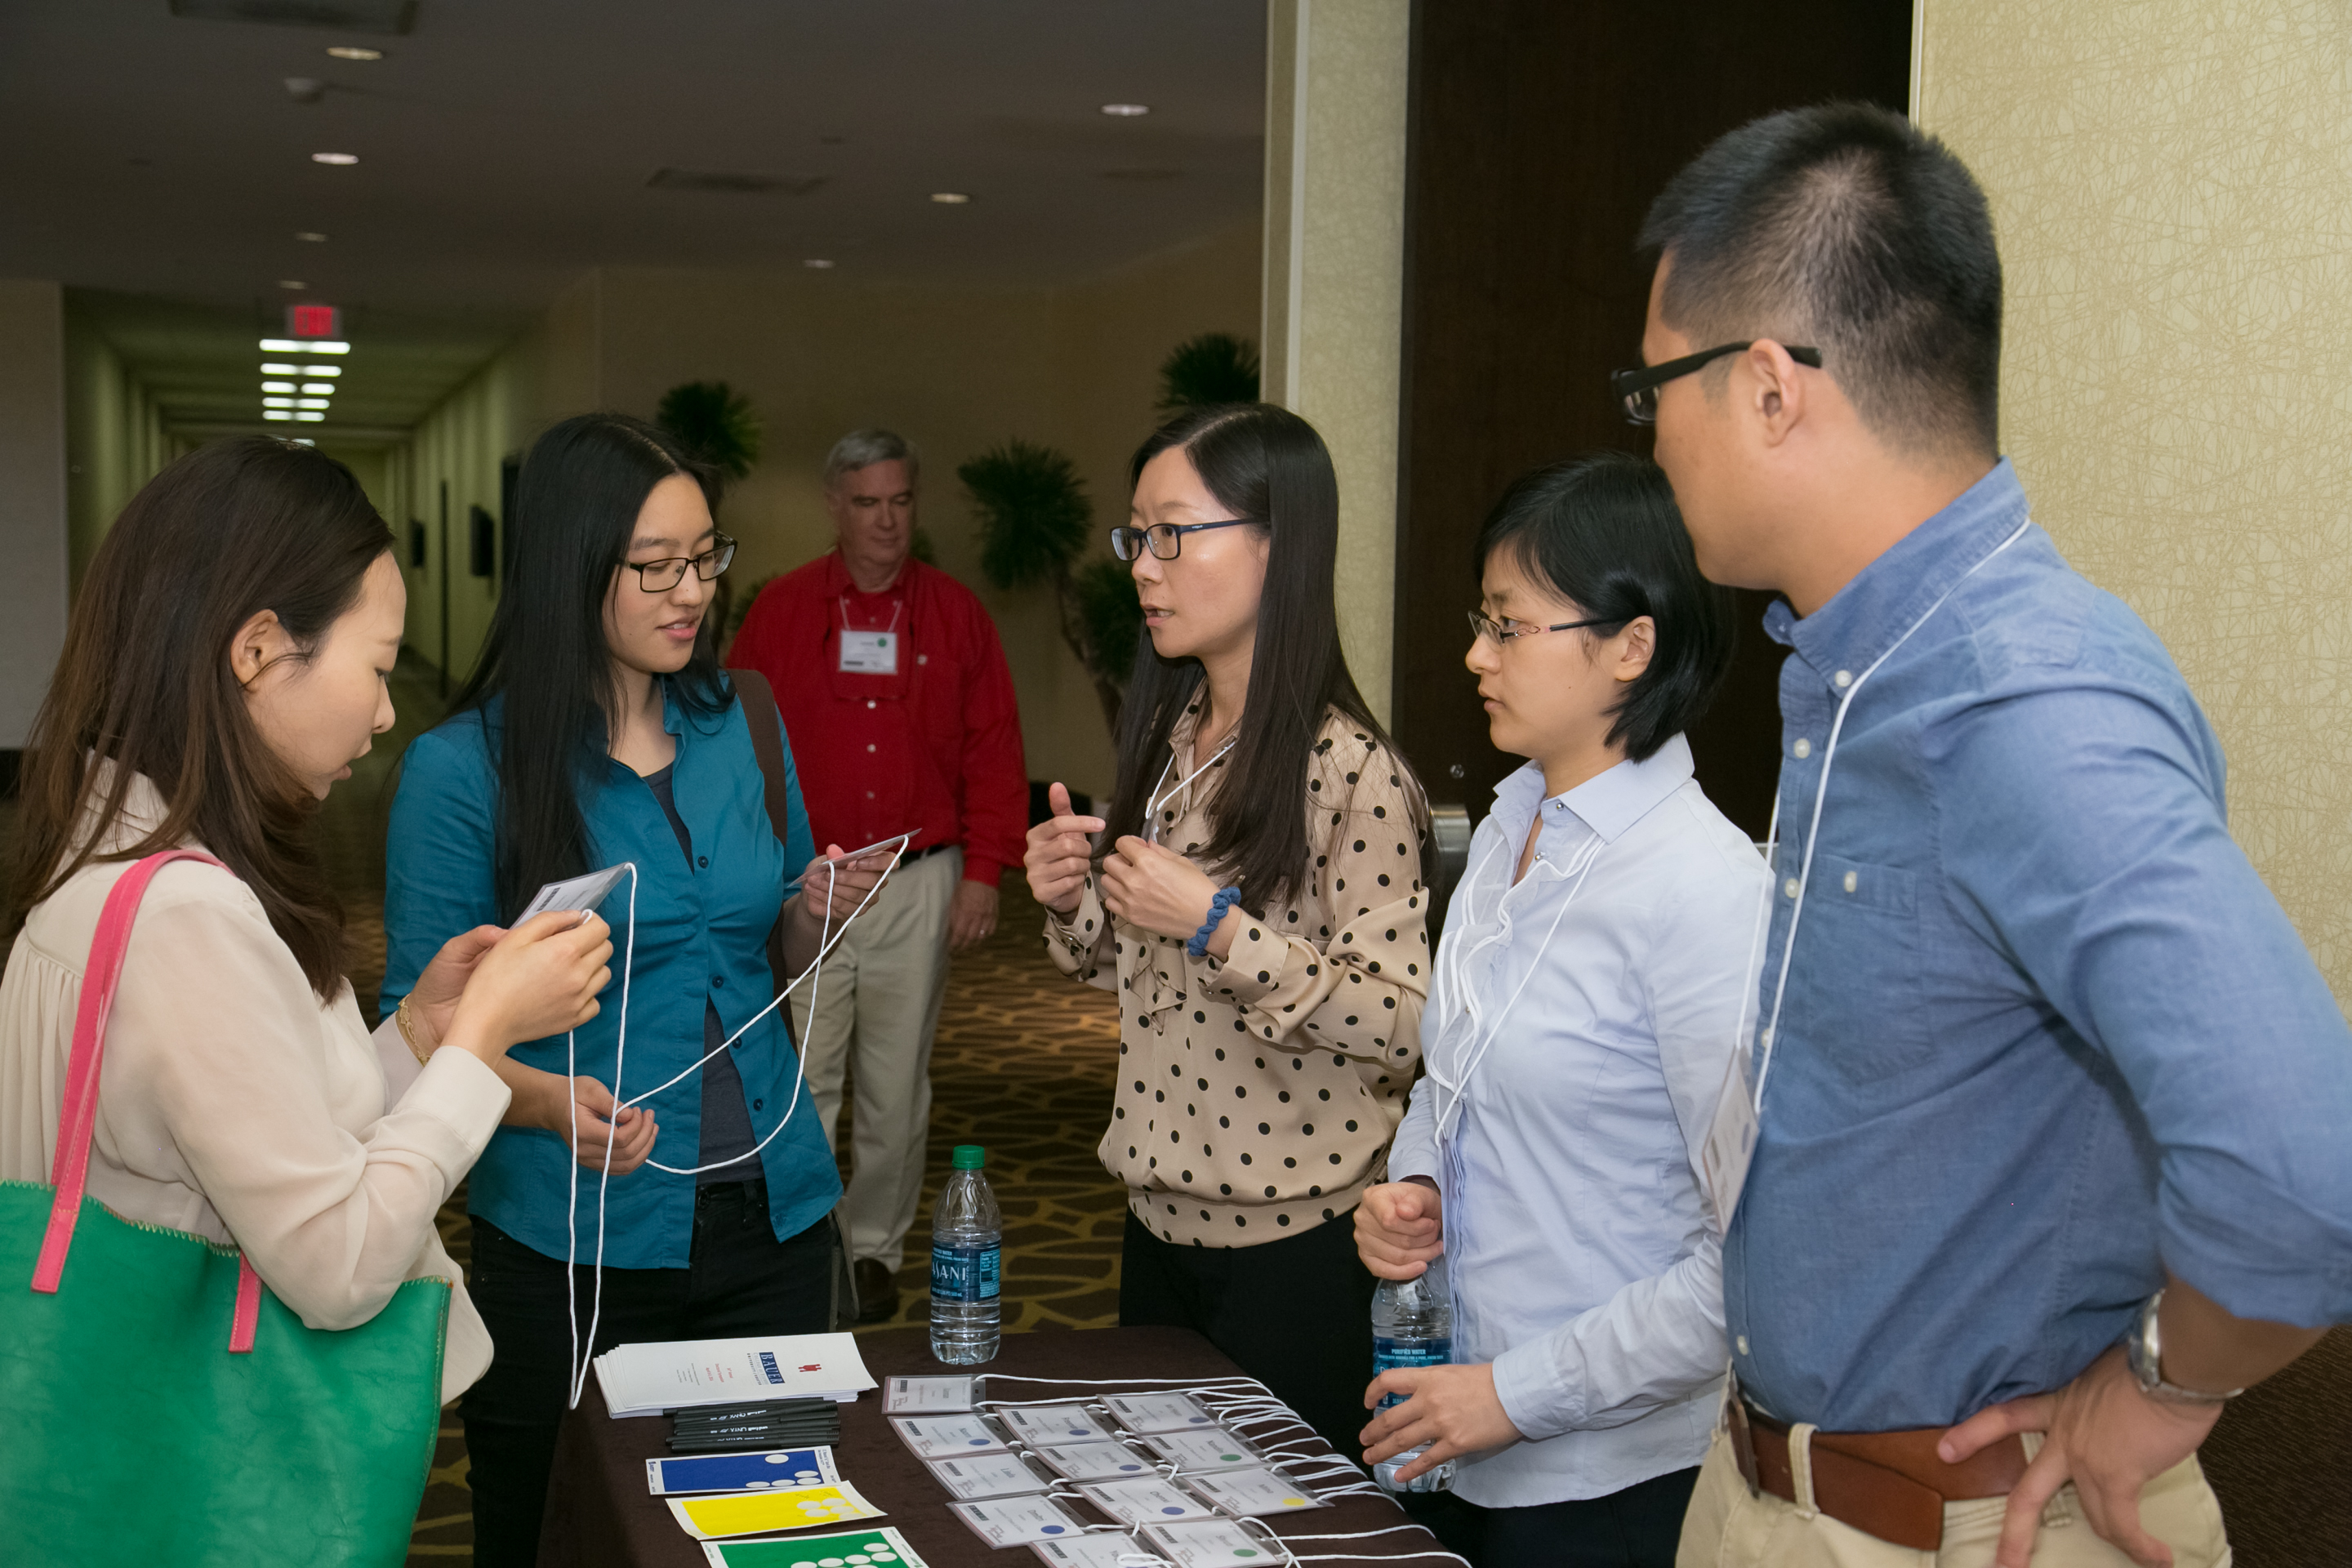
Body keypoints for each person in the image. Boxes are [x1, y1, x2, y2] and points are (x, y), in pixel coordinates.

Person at [1621, 105, 2352, 1568]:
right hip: (1779, 1488)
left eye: (1657, 393)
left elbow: (2299, 1169)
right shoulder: (1858, 674)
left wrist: (2165, 1384)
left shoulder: (2018, 696)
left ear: (1767, 388)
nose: (1651, 440)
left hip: (1963, 1532)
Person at [0, 438, 610, 1419]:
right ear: (257, 650)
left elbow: (268, 1131)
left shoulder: (112, 850)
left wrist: (424, 1033)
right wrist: (487, 1041)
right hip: (201, 1437)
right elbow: (337, 1262)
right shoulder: (185, 917)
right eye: (374, 669)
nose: (381, 715)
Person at [381, 413, 890, 1566]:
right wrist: (546, 1101)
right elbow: (411, 1027)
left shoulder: (742, 720)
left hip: (773, 1213)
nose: (691, 591)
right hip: (573, 1239)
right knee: (558, 1533)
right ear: (572, 567)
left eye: (706, 556)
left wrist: (816, 908)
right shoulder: (467, 770)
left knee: (765, 1529)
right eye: (654, 566)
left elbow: (772, 946)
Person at [1353, 454, 1765, 1567]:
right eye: (1478, 620)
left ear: (1631, 645)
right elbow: (1454, 1074)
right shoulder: (1506, 826)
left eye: (1510, 626)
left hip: (1611, 1474)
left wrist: (1517, 1394)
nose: (1476, 656)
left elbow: (1753, 1259)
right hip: (1452, 1423)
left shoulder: (1703, 891)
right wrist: (1418, 1180)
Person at [1023, 402, 1432, 1459]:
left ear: (1276, 545)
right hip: (1154, 1223)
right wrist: (1074, 896)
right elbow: (1117, 961)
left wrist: (1218, 927)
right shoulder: (1169, 739)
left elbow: (1406, 1020)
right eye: (1135, 538)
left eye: (1174, 535)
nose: (1144, 568)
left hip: (1295, 1251)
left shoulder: (1351, 773)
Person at [726, 427, 1027, 1322]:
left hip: (917, 877)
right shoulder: (779, 612)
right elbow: (736, 748)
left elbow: (994, 749)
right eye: (867, 503)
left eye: (900, 501)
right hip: (808, 881)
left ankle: (874, 1250)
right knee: (806, 1076)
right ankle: (807, 1245)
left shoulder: (956, 615)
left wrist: (984, 872)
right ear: (835, 507)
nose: (887, 521)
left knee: (896, 1087)